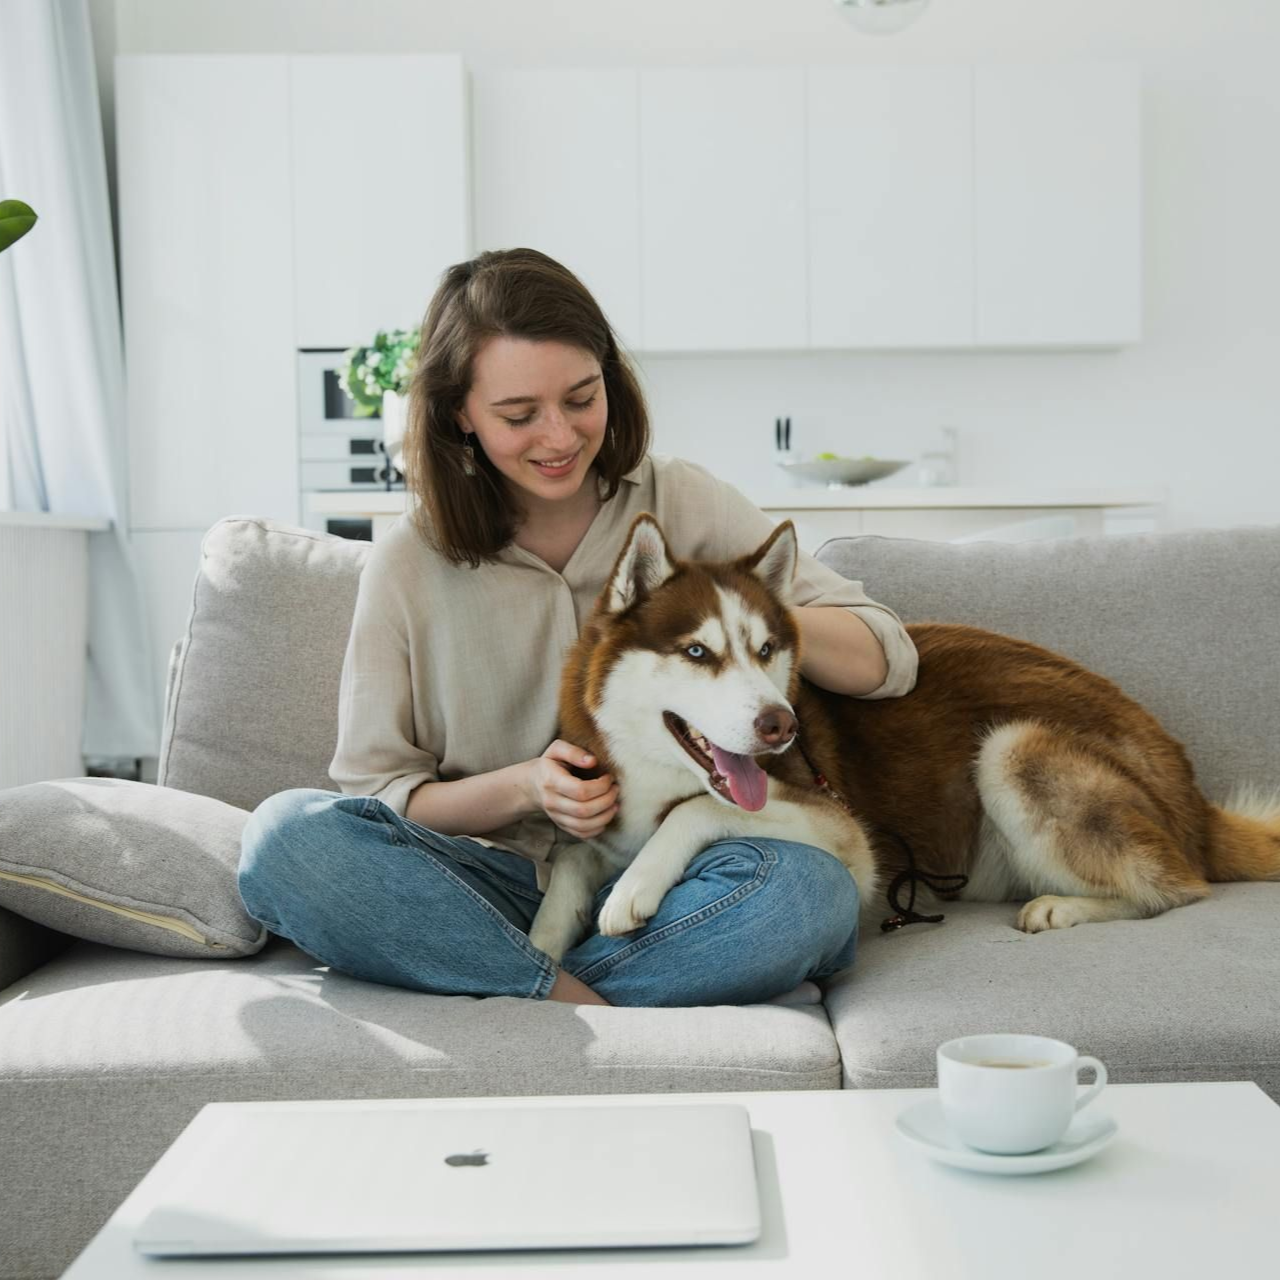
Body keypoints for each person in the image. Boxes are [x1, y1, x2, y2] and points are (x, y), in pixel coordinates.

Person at [238, 248, 918, 1008]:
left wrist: (737, 608)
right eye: (519, 415)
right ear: (459, 413)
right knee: (284, 839)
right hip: (484, 883)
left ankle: (524, 995)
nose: (559, 437)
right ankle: (572, 997)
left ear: (609, 379)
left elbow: (886, 658)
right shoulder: (407, 565)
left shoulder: (683, 501)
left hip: (676, 875)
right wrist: (528, 788)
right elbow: (382, 793)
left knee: (807, 894)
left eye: (581, 398)